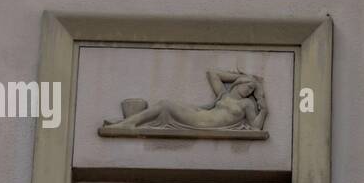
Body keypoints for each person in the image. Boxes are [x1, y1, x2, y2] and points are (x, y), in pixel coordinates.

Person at [102, 70, 267, 132]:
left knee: (165, 104)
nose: (249, 90)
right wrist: (243, 76)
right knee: (165, 105)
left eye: (252, 89)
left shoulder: (247, 104)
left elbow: (255, 127)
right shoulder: (224, 95)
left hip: (204, 123)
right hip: (199, 116)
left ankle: (129, 123)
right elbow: (213, 74)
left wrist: (263, 107)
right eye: (247, 86)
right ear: (239, 84)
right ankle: (129, 122)